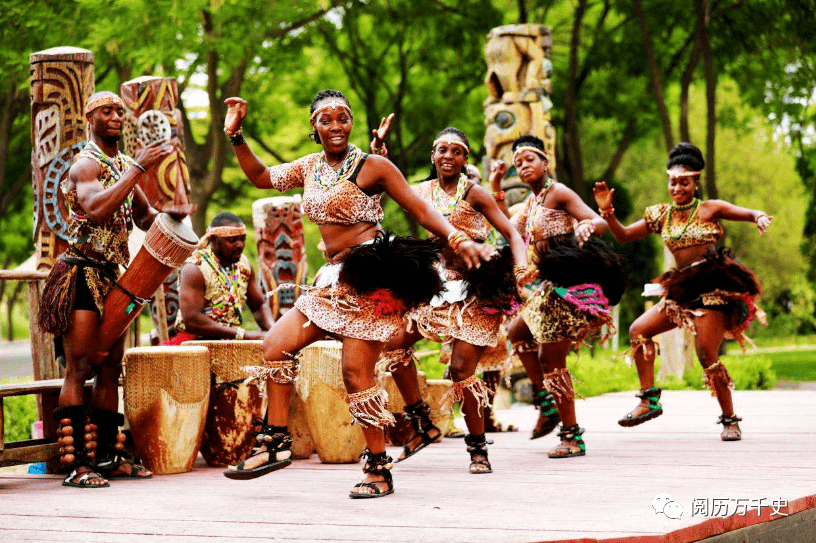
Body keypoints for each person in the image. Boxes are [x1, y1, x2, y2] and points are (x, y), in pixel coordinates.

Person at [220, 90, 492, 498]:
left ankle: (379, 469)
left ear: (350, 123)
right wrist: (236, 135)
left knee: (355, 373)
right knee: (276, 344)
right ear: (313, 125)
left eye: (342, 118)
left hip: (371, 276)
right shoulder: (309, 167)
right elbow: (261, 178)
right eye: (326, 120)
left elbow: (421, 209)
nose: (335, 126)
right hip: (333, 278)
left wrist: (456, 236)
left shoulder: (373, 166)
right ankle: (275, 441)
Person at [37, 91, 175, 487]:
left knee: (111, 367)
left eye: (119, 111)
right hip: (80, 274)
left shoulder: (120, 166)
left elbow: (145, 217)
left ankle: (107, 458)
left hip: (113, 275)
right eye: (107, 111)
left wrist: (176, 218)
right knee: (80, 367)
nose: (116, 116)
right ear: (90, 119)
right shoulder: (86, 165)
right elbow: (96, 209)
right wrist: (136, 170)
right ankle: (78, 465)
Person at [592, 142, 770, 441]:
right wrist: (607, 210)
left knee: (705, 353)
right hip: (681, 288)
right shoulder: (660, 215)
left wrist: (759, 217)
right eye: (673, 182)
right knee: (638, 331)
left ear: (696, 182)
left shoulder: (709, 208)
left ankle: (730, 419)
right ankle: (649, 400)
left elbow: (748, 213)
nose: (677, 188)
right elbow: (622, 236)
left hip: (710, 288)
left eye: (684, 182)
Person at [378, 128, 530, 474]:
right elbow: (380, 189)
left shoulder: (475, 193)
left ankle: (478, 448)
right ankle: (423, 422)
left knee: (461, 370)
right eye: (442, 150)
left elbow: (510, 232)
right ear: (433, 156)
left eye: (457, 151)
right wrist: (379, 155)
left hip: (479, 287)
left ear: (465, 159)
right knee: (393, 344)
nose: (448, 156)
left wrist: (520, 268)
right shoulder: (420, 191)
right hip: (438, 286)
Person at [493, 135, 626, 458]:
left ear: (545, 162)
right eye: (518, 162)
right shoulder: (531, 203)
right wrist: (496, 183)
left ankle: (571, 435)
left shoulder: (558, 192)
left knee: (551, 360)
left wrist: (587, 227)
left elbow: (595, 221)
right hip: (548, 287)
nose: (523, 166)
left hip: (570, 288)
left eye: (529, 159)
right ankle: (547, 403)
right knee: (517, 333)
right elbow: (507, 228)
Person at [169, 212, 274, 343]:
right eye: (232, 240)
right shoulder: (195, 267)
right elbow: (192, 320)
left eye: (242, 239)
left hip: (233, 341)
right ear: (214, 240)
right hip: (197, 343)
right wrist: (243, 335)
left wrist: (274, 331)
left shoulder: (243, 265)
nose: (240, 245)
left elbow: (259, 306)